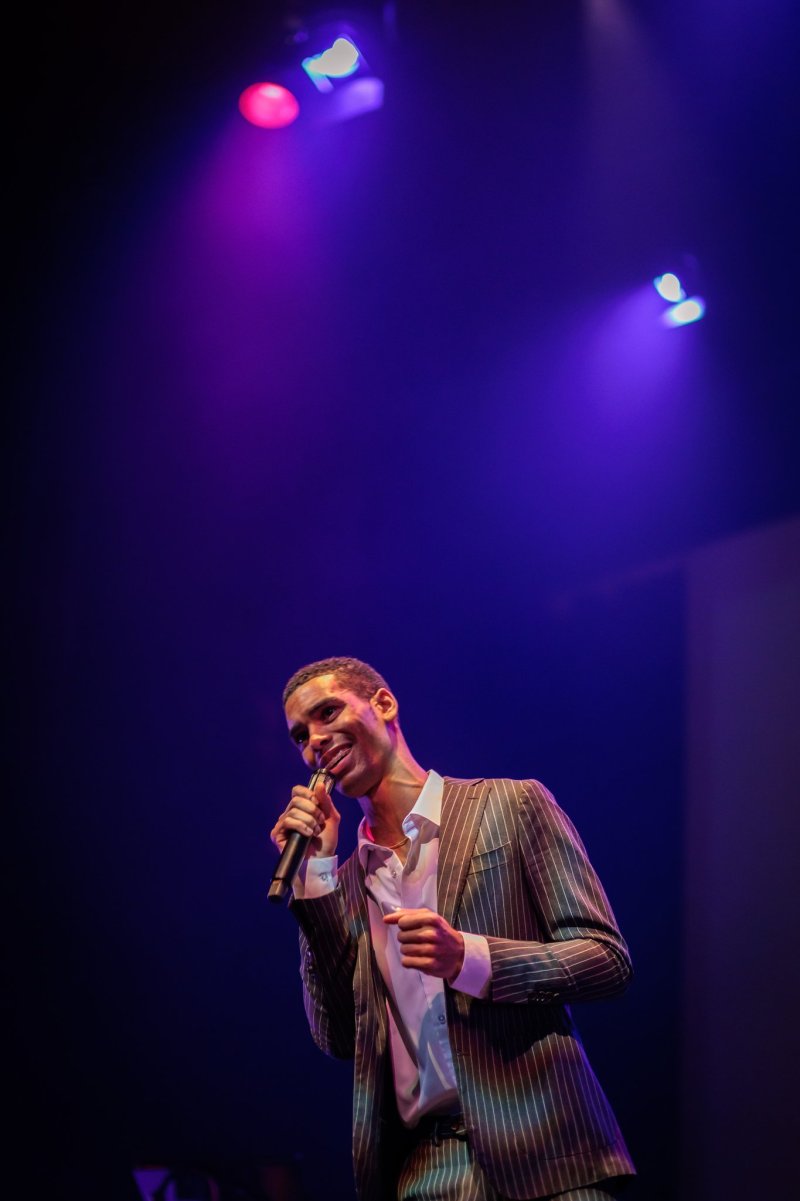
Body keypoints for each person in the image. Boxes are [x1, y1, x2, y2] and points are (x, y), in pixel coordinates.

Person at [270, 657, 636, 1201]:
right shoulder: (340, 887)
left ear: (384, 704)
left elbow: (606, 958)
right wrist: (315, 877)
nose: (315, 741)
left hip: (550, 1150)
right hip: (428, 1170)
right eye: (301, 735)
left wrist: (469, 957)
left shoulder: (510, 806)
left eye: (327, 713)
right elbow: (338, 1038)